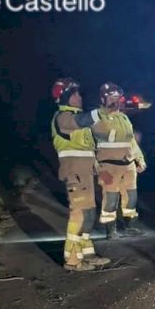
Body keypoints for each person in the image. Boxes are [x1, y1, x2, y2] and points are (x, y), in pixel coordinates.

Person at [48, 77, 110, 270]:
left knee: (89, 213)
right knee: (80, 214)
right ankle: (73, 260)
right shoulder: (63, 117)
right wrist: (102, 111)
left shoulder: (78, 120)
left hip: (85, 173)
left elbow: (91, 146)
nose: (79, 97)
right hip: (74, 173)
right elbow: (83, 120)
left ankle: (87, 253)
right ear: (65, 97)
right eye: (75, 94)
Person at [91, 82, 146, 238]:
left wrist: (140, 159)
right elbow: (88, 142)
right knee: (111, 198)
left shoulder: (123, 118)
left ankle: (130, 226)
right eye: (111, 98)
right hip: (108, 166)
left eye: (117, 97)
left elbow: (131, 141)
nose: (115, 101)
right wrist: (94, 164)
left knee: (131, 197)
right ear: (103, 99)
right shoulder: (96, 117)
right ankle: (110, 230)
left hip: (128, 166)